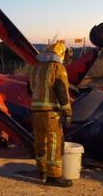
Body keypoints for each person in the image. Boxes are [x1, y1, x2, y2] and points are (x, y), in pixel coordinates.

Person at [29, 40, 73, 187]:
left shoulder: (35, 68)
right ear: (60, 54)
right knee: (54, 143)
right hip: (51, 113)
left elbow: (29, 89)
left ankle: (42, 170)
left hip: (35, 112)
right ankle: (54, 176)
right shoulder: (57, 67)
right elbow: (60, 89)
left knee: (40, 141)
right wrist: (67, 111)